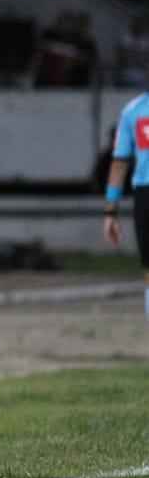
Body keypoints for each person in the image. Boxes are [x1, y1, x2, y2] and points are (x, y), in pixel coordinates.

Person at [102, 95, 149, 320]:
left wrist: (111, 211)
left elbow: (120, 163)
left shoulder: (133, 110)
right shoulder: (132, 110)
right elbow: (119, 162)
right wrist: (110, 211)